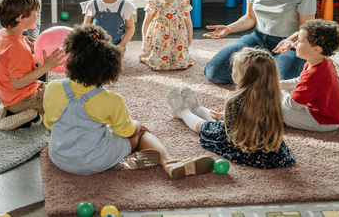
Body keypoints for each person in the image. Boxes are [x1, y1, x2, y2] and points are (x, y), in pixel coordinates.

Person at [43, 24, 215, 179]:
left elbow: (50, 124)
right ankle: (169, 163)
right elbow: (127, 132)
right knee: (141, 134)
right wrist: (138, 125)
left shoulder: (52, 88)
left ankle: (119, 162)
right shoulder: (112, 100)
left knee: (95, 128)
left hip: (60, 157)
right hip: (95, 159)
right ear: (109, 68)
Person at [167, 47, 295, 169]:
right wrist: (225, 116)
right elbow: (251, 118)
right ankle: (198, 109)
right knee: (218, 120)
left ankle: (182, 112)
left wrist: (225, 117)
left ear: (243, 75)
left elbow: (229, 128)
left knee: (206, 127)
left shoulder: (236, 99)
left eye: (234, 69)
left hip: (245, 146)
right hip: (270, 149)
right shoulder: (275, 95)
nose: (231, 71)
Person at [0, 0, 66, 131]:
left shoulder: (2, 34)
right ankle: (34, 117)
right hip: (22, 99)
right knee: (64, 106)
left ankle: (10, 110)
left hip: (9, 95)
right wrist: (45, 67)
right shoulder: (17, 48)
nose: (37, 16)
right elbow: (18, 83)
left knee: (57, 88)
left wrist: (37, 59)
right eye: (35, 13)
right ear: (21, 18)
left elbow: (13, 65)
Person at [280, 19, 339, 132]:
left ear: (316, 49)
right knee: (280, 98)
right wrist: (279, 85)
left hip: (325, 121)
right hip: (326, 113)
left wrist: (279, 92)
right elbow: (300, 81)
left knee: (280, 110)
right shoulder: (321, 62)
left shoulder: (315, 74)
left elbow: (292, 104)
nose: (295, 44)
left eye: (300, 41)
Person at [139, 0, 194, 70]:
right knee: (158, 63)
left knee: (180, 63)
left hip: (178, 39)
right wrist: (144, 42)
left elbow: (188, 23)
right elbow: (146, 23)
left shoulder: (182, 2)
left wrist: (189, 39)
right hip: (160, 40)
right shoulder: (155, 3)